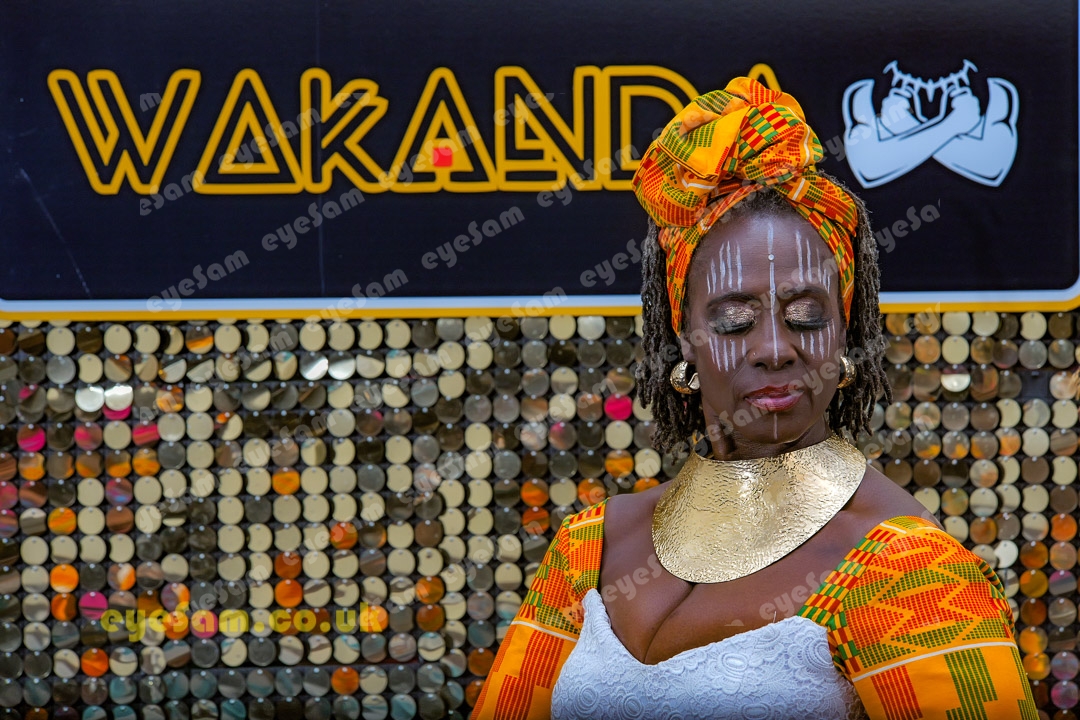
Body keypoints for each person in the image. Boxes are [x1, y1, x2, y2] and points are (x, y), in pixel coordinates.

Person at [470, 77, 1037, 720]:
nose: (774, 348)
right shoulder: (591, 547)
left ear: (845, 335)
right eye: (735, 320)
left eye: (806, 317)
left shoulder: (906, 569)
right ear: (683, 338)